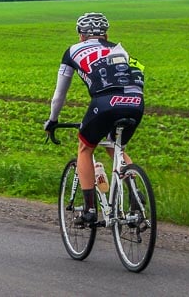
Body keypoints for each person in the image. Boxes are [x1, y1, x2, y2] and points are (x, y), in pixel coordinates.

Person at [43, 12, 145, 226]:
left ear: (81, 35)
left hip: (106, 102)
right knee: (116, 147)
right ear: (105, 34)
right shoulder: (119, 49)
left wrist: (52, 120)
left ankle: (89, 210)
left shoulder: (72, 51)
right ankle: (136, 197)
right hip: (135, 101)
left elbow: (59, 95)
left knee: (85, 148)